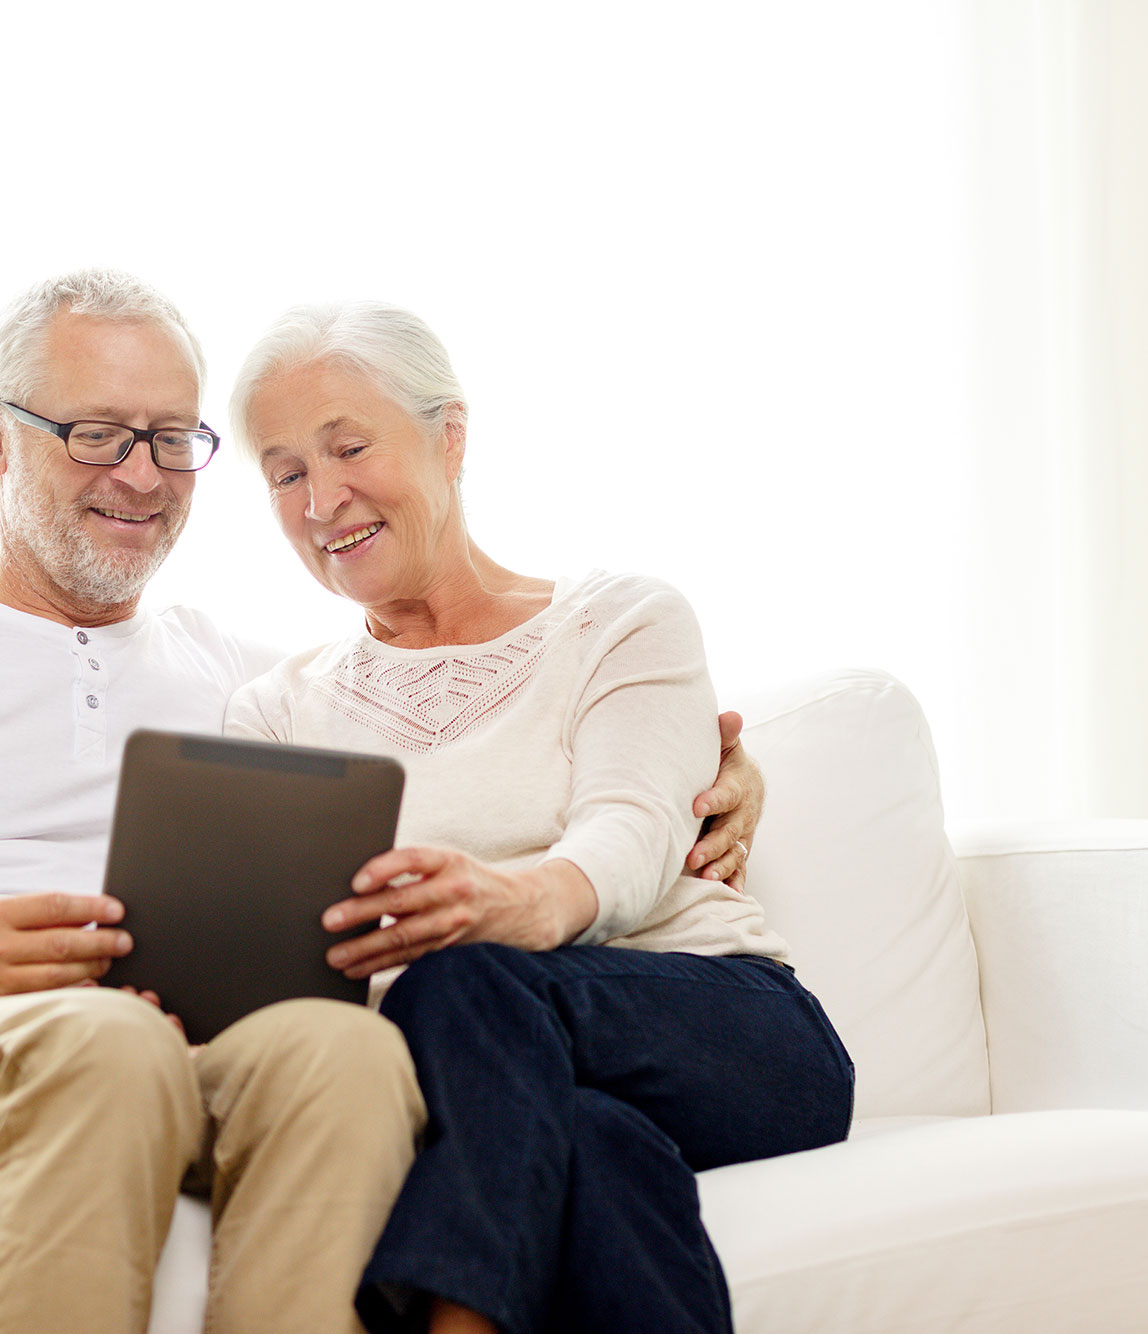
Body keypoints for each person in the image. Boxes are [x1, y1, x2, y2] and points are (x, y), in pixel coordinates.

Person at [0, 269, 767, 1334]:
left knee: (340, 1053)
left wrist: (720, 769)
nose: (143, 474)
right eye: (97, 433)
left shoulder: (239, 678)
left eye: (172, 437)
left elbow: (443, 712)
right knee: (96, 1045)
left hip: (152, 1052)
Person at [224, 301, 855, 1334]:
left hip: (724, 1030)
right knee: (590, 1143)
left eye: (347, 446)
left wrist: (504, 901)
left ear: (449, 438)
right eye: (284, 471)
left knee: (460, 975)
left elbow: (633, 832)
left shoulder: (617, 620)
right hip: (490, 1074)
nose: (321, 496)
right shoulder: (273, 710)